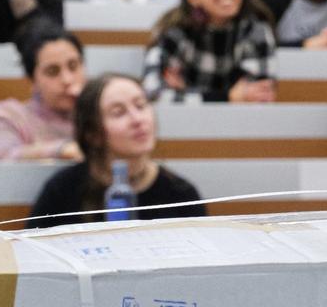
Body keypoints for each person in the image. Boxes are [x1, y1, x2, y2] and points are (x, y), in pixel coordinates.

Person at [26, 73, 205, 228]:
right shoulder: (62, 191)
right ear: (92, 133)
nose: (137, 120)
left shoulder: (182, 194)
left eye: (140, 105)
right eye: (119, 112)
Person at [142, 0, 277, 103]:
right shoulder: (173, 32)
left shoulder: (256, 31)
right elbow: (153, 96)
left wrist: (186, 93)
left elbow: (259, 99)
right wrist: (228, 97)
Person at [0, 20, 85, 160]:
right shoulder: (11, 117)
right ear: (33, 79)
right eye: (52, 71)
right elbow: (0, 157)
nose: (67, 80)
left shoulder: (100, 116)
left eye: (73, 66)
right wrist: (61, 150)